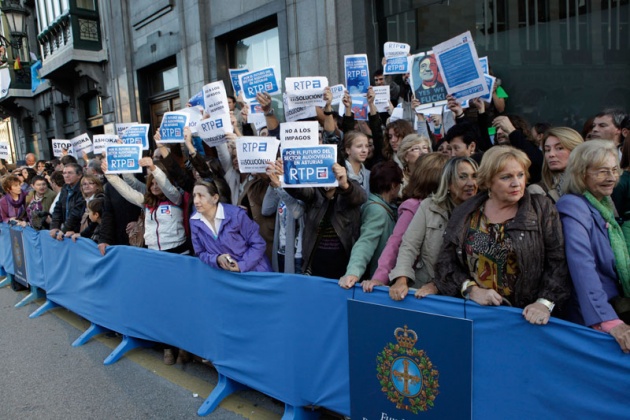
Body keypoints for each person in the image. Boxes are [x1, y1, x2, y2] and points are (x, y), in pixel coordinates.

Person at [435, 146, 569, 325]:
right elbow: (446, 262)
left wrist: (544, 303)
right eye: (506, 177)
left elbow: (558, 261)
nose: (516, 183)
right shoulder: (466, 212)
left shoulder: (541, 209)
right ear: (488, 181)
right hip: (477, 317)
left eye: (520, 175)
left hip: (527, 319)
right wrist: (471, 290)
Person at [557, 140, 630, 352]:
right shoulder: (572, 206)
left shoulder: (604, 203)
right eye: (602, 171)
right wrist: (608, 321)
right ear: (582, 174)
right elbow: (582, 267)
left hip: (613, 304)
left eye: (615, 170)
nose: (611, 177)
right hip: (589, 316)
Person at [386, 157, 479, 300]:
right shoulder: (429, 207)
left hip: (463, 296)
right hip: (424, 291)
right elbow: (409, 245)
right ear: (448, 183)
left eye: (475, 176)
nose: (471, 183)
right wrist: (401, 279)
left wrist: (439, 285)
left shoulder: (483, 212)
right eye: (463, 177)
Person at [364, 153, 451, 292]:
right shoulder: (414, 206)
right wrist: (380, 278)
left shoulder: (454, 207)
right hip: (419, 285)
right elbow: (396, 244)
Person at [286, 162, 367, 279]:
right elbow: (300, 191)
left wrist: (344, 185)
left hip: (344, 261)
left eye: (331, 171)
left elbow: (361, 196)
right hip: (317, 261)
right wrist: (286, 176)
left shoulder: (349, 186)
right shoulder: (314, 190)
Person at [338, 161, 403, 289]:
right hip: (376, 283)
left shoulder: (386, 206)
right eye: (400, 183)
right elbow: (365, 242)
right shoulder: (377, 210)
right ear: (393, 185)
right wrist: (353, 272)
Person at [104, 158, 189, 254]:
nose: (155, 187)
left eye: (157, 183)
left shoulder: (175, 198)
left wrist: (153, 168)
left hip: (178, 251)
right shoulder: (147, 202)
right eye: (152, 184)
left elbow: (167, 187)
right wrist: (110, 176)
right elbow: (127, 191)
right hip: (154, 251)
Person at [190, 179, 271, 272]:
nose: (196, 201)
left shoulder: (236, 215)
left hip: (254, 273)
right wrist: (217, 259)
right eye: (194, 196)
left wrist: (241, 265)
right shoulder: (194, 220)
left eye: (201, 196)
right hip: (227, 277)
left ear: (215, 198)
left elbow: (258, 244)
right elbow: (200, 252)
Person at [262, 159, 304, 273]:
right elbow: (266, 209)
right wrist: (273, 184)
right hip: (281, 251)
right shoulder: (279, 185)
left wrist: (279, 186)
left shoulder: (304, 185)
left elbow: (297, 212)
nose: (280, 166)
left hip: (299, 255)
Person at [527, 127, 583, 202]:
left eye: (559, 148)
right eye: (547, 150)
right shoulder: (537, 191)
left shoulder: (593, 185)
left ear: (576, 151)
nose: (551, 154)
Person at [49, 163, 86, 240]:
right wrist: (55, 226)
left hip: (78, 232)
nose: (66, 176)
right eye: (64, 173)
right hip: (66, 231)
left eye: (70, 173)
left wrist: (65, 229)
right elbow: (58, 208)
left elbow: (76, 212)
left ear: (79, 175)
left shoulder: (83, 188)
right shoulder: (65, 188)